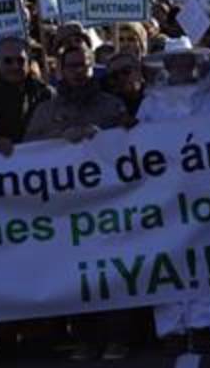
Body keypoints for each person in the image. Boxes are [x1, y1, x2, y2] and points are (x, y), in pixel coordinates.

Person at [23, 44, 129, 362]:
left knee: (112, 271)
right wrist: (59, 135)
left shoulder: (111, 105)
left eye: (83, 66)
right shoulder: (45, 109)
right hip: (67, 207)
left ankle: (117, 337)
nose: (78, 72)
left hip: (107, 202)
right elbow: (28, 148)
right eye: (71, 66)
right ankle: (86, 338)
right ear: (60, 69)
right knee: (78, 273)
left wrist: (105, 134)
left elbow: (131, 138)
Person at [139, 38, 210, 353]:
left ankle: (204, 322)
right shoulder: (151, 102)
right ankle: (171, 328)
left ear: (196, 63)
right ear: (165, 65)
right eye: (174, 60)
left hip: (205, 189)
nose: (180, 65)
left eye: (186, 60)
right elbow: (137, 143)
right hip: (164, 193)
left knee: (207, 256)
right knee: (167, 258)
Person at [0, 36, 55, 152]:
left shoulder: (45, 93)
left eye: (20, 60)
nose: (15, 66)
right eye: (8, 61)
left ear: (28, 62)